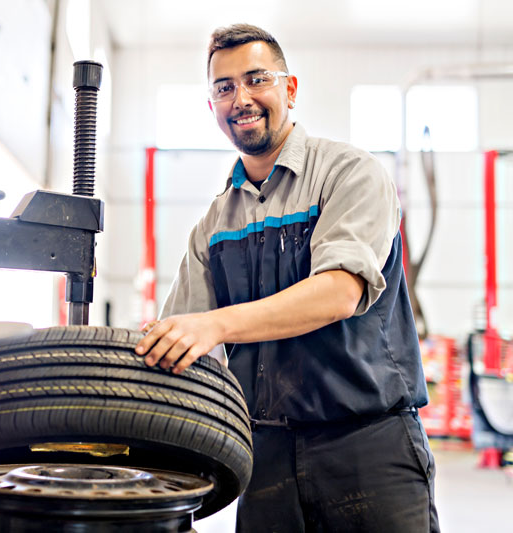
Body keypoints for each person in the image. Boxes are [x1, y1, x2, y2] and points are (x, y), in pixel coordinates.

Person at [135, 23, 439, 532]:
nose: (241, 98)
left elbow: (339, 292)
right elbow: (185, 343)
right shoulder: (214, 225)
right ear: (211, 105)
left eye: (257, 79)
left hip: (367, 446)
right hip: (265, 458)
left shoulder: (349, 173)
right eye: (224, 87)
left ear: (289, 89)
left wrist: (215, 325)